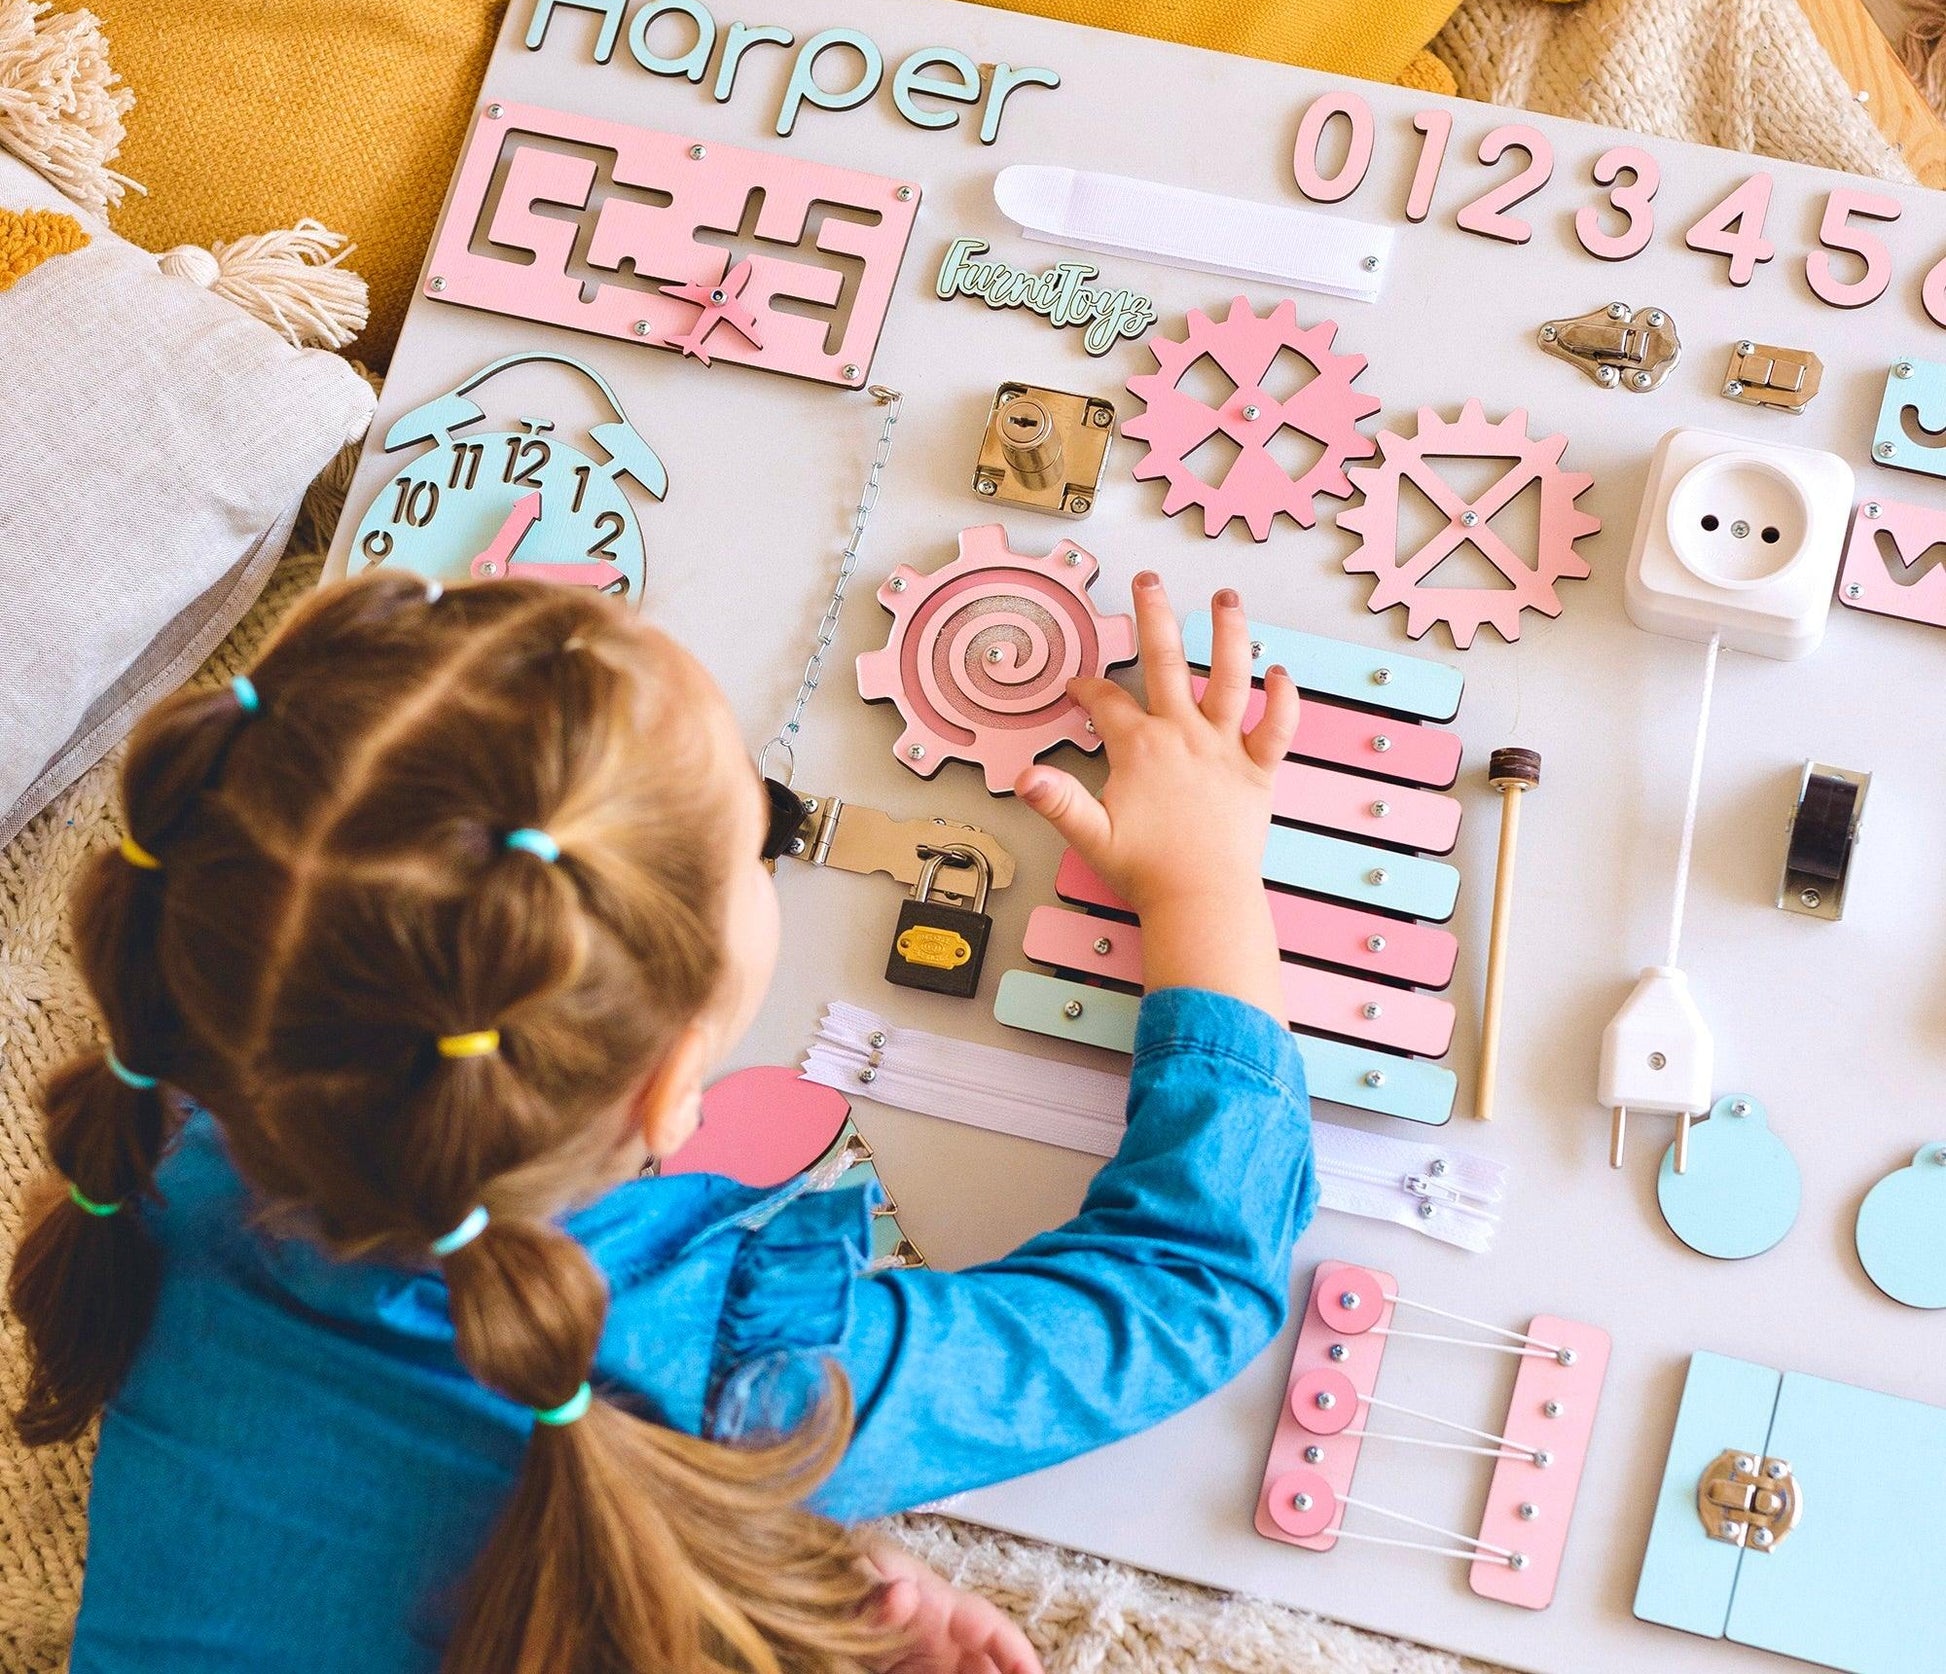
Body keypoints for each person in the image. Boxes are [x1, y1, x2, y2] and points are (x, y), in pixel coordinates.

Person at [10, 565, 1317, 1674]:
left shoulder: (166, 1149)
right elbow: (1186, 1286)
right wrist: (1205, 876)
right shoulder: (732, 1367)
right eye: (755, 838)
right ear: (673, 1085)